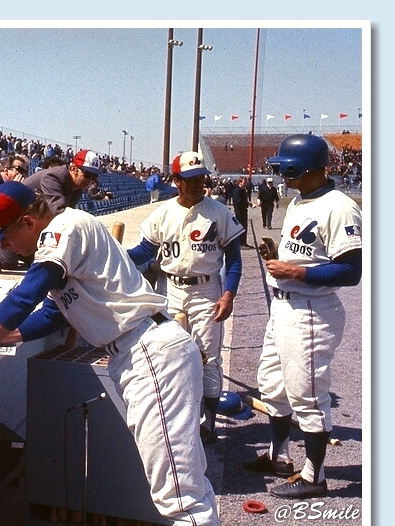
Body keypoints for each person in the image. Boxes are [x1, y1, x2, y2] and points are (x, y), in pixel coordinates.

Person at [0, 182, 220, 526]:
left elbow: (26, 294)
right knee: (185, 485)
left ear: (27, 222)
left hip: (150, 351)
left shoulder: (64, 227)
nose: (5, 248)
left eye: (6, 238)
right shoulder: (65, 236)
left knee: (180, 498)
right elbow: (51, 315)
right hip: (141, 351)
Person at [245, 134, 362, 499]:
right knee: (273, 387)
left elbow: (352, 270)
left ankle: (315, 477)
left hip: (311, 311)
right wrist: (279, 254)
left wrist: (297, 273)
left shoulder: (339, 206)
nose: (281, 172)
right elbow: (307, 254)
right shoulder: (298, 200)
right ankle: (280, 457)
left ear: (305, 166)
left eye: (286, 166)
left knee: (308, 396)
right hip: (283, 307)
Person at [127, 151, 244, 445]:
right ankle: (178, 419)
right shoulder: (163, 213)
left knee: (208, 358)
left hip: (207, 290)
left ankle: (209, 424)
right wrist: (116, 256)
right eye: (190, 179)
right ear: (177, 181)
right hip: (171, 289)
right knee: (172, 355)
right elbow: (143, 252)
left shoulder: (218, 212)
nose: (196, 184)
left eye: (200, 177)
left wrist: (228, 294)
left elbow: (234, 260)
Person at [22, 149, 101, 214]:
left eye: (94, 176)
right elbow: (59, 213)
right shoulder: (53, 177)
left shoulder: (78, 186)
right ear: (73, 169)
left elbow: (69, 212)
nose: (90, 180)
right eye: (87, 174)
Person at [231, 176, 252, 247]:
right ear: (240, 182)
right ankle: (240, 243)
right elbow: (238, 201)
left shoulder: (243, 190)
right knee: (240, 227)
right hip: (239, 211)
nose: (246, 184)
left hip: (243, 210)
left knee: (244, 227)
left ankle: (244, 242)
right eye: (244, 182)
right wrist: (247, 203)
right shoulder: (237, 190)